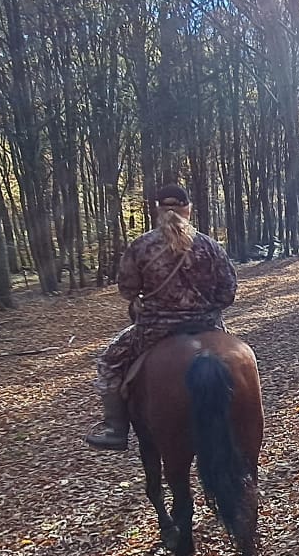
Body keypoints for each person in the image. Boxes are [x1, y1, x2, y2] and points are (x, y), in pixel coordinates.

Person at [85, 183, 239, 450]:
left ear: (157, 210)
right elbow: (228, 292)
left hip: (156, 329)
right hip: (207, 325)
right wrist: (205, 306)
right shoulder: (210, 246)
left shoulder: (141, 246)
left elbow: (127, 289)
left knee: (109, 361)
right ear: (188, 209)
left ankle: (116, 429)